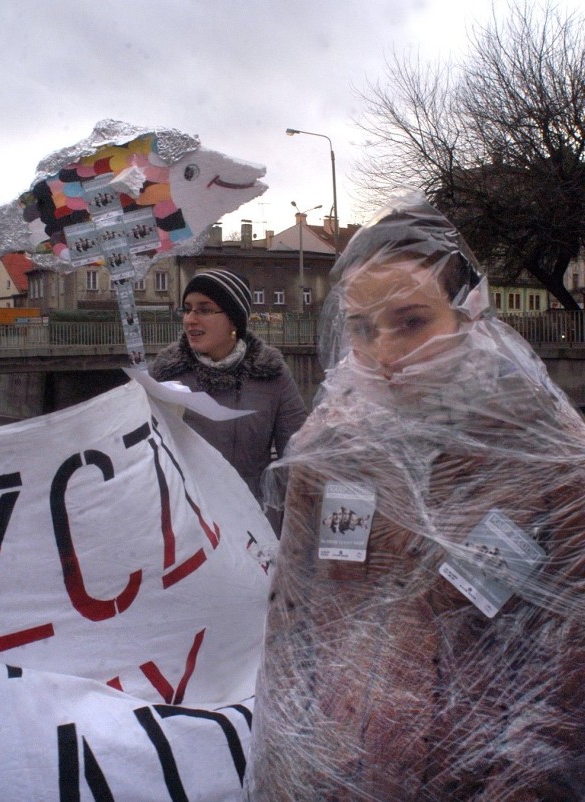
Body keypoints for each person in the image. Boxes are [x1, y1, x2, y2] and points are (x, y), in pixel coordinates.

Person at [245, 191, 585, 800]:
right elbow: (292, 628)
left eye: (411, 321)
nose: (385, 354)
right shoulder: (330, 453)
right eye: (361, 329)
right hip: (339, 769)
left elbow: (566, 668)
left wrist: (520, 787)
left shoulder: (551, 460)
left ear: (469, 312)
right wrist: (282, 768)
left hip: (484, 780)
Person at [150, 269, 307, 514]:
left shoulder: (271, 375)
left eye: (204, 309)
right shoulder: (164, 375)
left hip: (253, 519)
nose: (190, 319)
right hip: (189, 519)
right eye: (187, 308)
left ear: (234, 319)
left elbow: (298, 458)